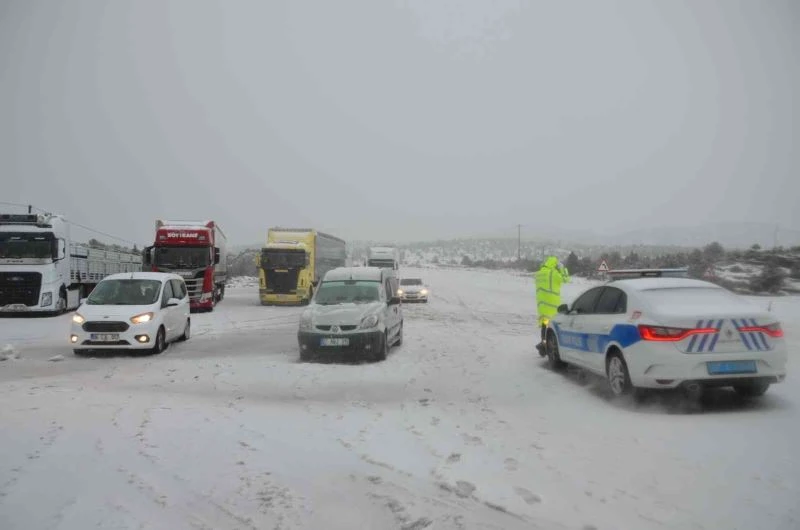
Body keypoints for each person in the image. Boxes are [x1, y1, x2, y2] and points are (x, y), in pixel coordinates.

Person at [534, 256, 569, 356]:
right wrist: (562, 268)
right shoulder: (554, 274)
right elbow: (566, 279)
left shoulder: (539, 273)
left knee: (545, 326)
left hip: (542, 307)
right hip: (553, 308)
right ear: (555, 264)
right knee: (553, 329)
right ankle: (548, 347)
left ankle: (543, 345)